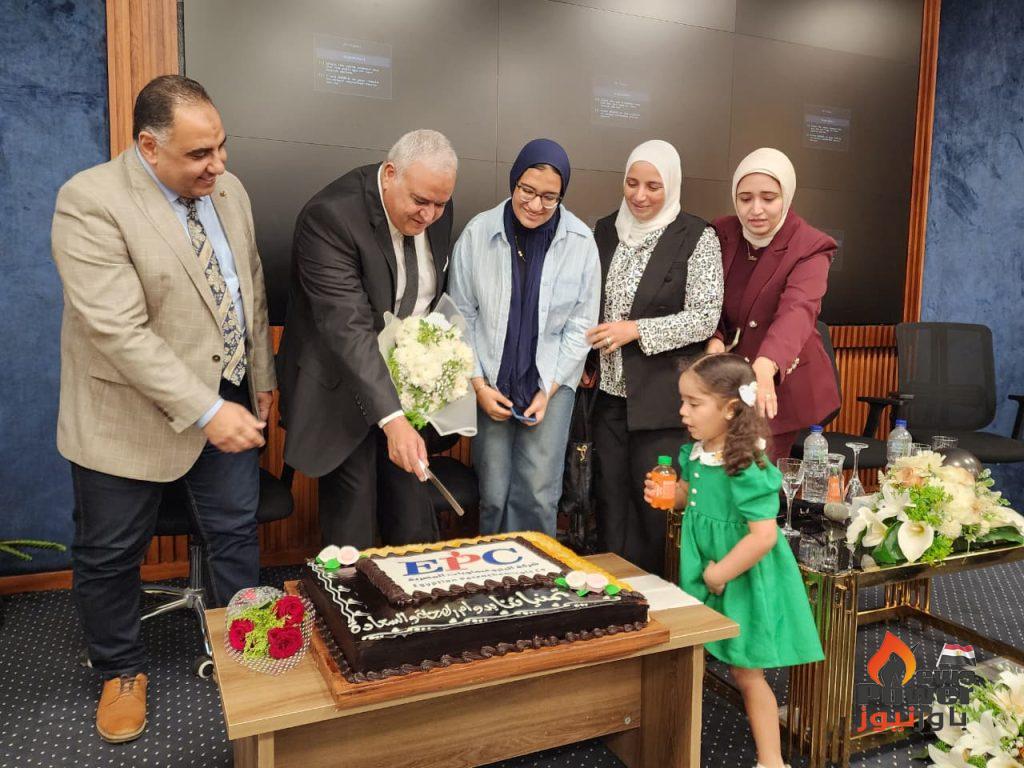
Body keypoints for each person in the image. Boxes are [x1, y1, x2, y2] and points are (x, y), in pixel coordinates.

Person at [51, 75, 276, 743]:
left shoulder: (229, 192)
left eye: (222, 146)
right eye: (199, 153)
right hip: (125, 415)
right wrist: (206, 409)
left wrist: (260, 377)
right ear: (149, 147)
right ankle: (121, 670)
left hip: (226, 398)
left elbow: (249, 285)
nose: (218, 165)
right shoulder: (90, 202)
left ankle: (248, 646)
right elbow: (118, 331)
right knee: (111, 553)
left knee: (235, 533)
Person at [277, 130, 457, 548]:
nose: (430, 215)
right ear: (390, 174)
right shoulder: (330, 217)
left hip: (404, 390)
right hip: (341, 387)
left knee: (413, 523)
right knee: (352, 535)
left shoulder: (434, 204)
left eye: (440, 204)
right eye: (421, 202)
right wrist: (392, 419)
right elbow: (348, 328)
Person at [645, 353, 823, 768]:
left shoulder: (746, 465)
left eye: (694, 403)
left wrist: (720, 573)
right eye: (683, 401)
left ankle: (772, 760)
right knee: (691, 651)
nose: (682, 412)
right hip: (708, 569)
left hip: (742, 575)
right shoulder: (698, 451)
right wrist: (672, 495)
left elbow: (763, 536)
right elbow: (693, 496)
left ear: (729, 409)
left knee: (747, 671)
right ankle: (671, 740)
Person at [449, 139, 600, 536]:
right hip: (489, 380)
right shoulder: (478, 233)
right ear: (514, 181)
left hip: (552, 382)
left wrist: (549, 389)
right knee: (494, 492)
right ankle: (494, 567)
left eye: (549, 197)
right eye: (527, 190)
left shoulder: (580, 242)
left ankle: (535, 569)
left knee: (538, 492)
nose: (535, 205)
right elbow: (461, 315)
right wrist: (478, 386)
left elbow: (581, 326)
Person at [586, 139, 722, 576]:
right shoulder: (604, 231)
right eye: (632, 183)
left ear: (672, 185)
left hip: (661, 402)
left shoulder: (697, 237)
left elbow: (704, 317)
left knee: (654, 513)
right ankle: (615, 598)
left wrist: (637, 330)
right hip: (607, 399)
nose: (640, 196)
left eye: (653, 186)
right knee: (609, 506)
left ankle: (658, 602)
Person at [708, 148, 840, 461]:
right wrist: (714, 336)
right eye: (745, 198)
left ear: (786, 196)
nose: (756, 209)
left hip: (779, 383)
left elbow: (799, 309)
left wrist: (767, 364)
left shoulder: (810, 244)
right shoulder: (721, 232)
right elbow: (705, 294)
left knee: (756, 475)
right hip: (726, 380)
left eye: (768, 198)